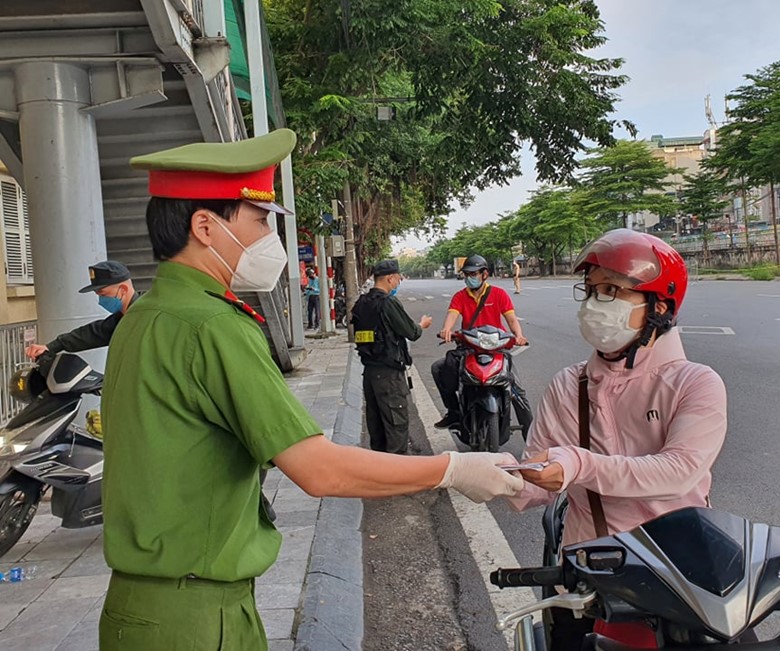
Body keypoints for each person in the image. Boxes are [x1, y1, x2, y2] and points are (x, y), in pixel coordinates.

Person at [98, 129, 523, 650]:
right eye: (258, 221)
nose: (268, 239)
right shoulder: (210, 325)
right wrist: (453, 470)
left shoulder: (145, 313)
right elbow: (319, 469)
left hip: (145, 609)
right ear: (206, 227)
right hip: (196, 617)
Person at [505, 229, 727, 649]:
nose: (594, 305)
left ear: (659, 305)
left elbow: (679, 471)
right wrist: (488, 474)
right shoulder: (571, 384)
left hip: (681, 573)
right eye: (590, 291)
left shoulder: (695, 383)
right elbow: (537, 475)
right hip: (592, 574)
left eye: (610, 290)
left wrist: (577, 463)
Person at [431, 254, 533, 437]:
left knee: (516, 389)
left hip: (497, 349)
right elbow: (452, 316)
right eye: (467, 274)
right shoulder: (460, 297)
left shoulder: (499, 294)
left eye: (473, 274)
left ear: (484, 274)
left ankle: (532, 435)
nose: (469, 278)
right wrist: (446, 330)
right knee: (439, 369)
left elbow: (511, 319)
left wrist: (519, 335)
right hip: (469, 348)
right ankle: (453, 412)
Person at [351, 258, 433, 454]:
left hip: (370, 374)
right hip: (389, 376)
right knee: (396, 430)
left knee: (377, 430)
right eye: (398, 279)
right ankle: (398, 479)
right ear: (389, 278)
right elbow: (411, 332)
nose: (398, 283)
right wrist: (422, 325)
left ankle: (380, 474)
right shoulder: (388, 303)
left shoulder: (362, 303)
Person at [24, 260, 138, 360]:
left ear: (123, 290)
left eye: (103, 294)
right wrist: (50, 347)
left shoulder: (145, 315)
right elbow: (92, 333)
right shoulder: (122, 318)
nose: (100, 300)